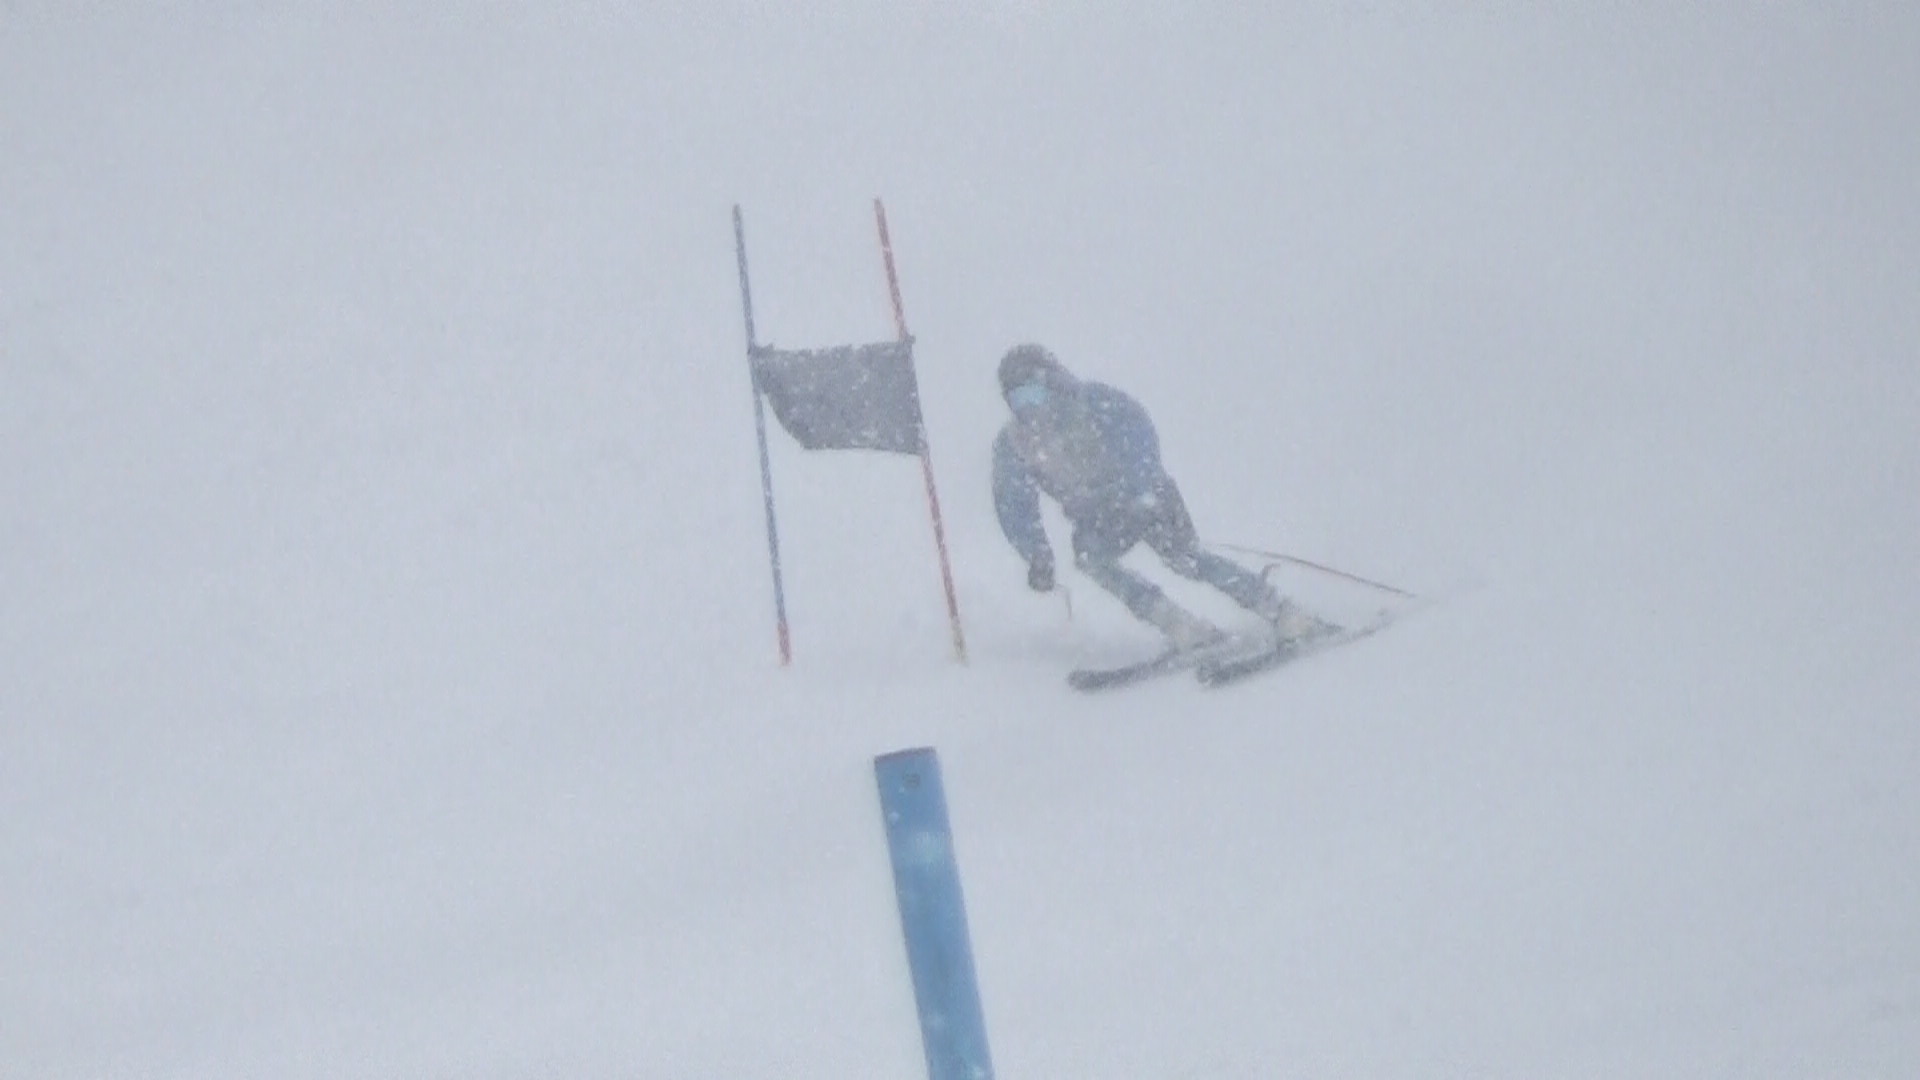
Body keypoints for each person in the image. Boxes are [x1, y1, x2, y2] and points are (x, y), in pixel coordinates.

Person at [991, 343, 1332, 651]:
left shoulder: (1094, 403)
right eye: (1019, 401)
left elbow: (1138, 438)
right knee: (1091, 559)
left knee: (1187, 558)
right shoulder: (1016, 444)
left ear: (1052, 383)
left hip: (1148, 499)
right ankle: (1178, 624)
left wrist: (1137, 489)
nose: (1030, 408)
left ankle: (1283, 612)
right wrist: (1036, 553)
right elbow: (1014, 504)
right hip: (1099, 519)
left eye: (1034, 393)